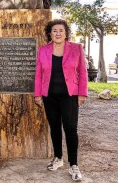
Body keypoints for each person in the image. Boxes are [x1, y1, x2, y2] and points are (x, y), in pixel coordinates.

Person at [34, 19, 88, 181]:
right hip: (49, 96)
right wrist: (38, 94)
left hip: (70, 95)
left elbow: (83, 73)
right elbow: (38, 74)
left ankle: (74, 164)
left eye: (61, 30)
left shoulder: (77, 48)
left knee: (71, 129)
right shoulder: (43, 50)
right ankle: (58, 158)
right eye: (54, 30)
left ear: (66, 33)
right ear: (50, 33)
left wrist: (82, 93)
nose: (58, 33)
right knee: (55, 127)